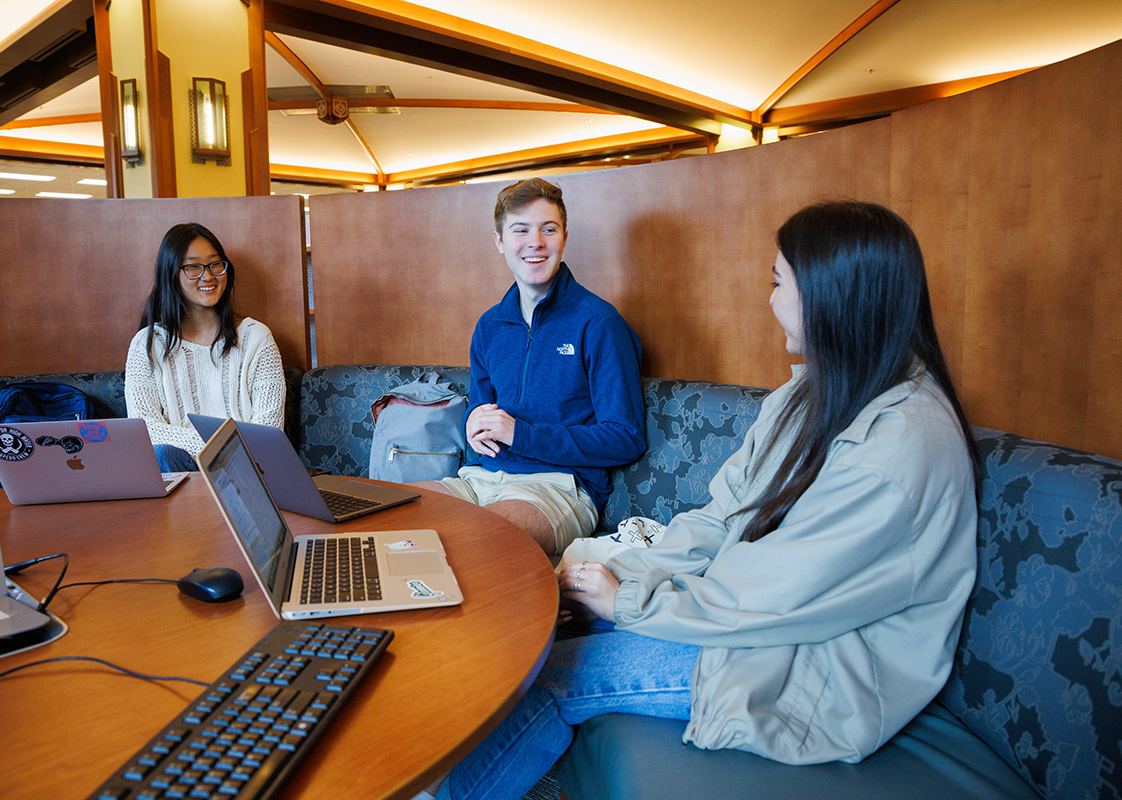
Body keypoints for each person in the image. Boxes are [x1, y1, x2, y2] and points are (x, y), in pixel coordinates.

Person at [417, 201, 980, 800]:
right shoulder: (809, 396)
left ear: (830, 296)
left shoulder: (899, 448)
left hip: (811, 663)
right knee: (542, 621)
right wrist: (609, 575)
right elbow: (721, 518)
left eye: (777, 282)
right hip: (755, 623)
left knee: (551, 676)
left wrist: (629, 600)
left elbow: (785, 594)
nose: (770, 300)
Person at [416, 178, 646, 558]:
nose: (535, 242)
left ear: (564, 238)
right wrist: (472, 422)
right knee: (393, 514)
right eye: (520, 230)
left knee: (478, 538)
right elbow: (482, 412)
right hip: (478, 479)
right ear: (500, 241)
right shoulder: (490, 326)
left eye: (548, 229)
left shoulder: (599, 322)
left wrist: (521, 435)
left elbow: (626, 437)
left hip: (557, 487)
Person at [125, 222, 286, 472]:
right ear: (171, 274)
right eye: (193, 267)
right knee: (163, 455)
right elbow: (144, 429)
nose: (208, 276)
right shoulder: (146, 344)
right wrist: (216, 446)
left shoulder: (256, 338)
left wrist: (226, 454)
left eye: (215, 264)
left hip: (248, 470)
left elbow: (269, 431)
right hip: (179, 472)